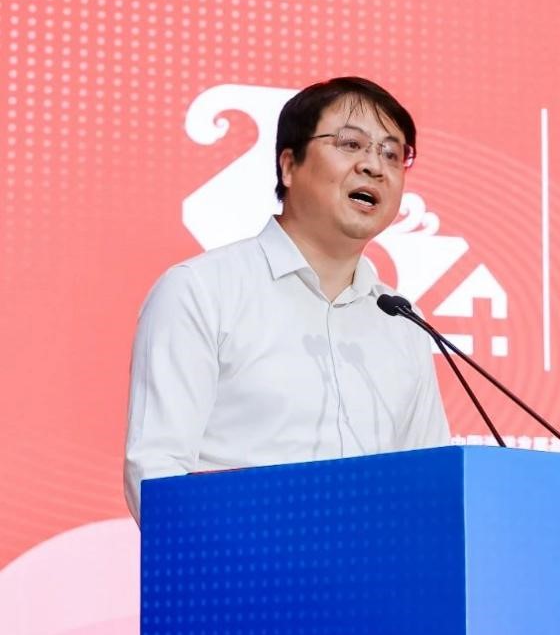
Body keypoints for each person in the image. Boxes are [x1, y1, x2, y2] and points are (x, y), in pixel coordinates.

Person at [124, 77, 450, 522]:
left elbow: (428, 486)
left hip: (374, 566)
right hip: (241, 562)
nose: (374, 166)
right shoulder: (202, 290)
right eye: (350, 144)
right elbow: (157, 471)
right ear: (289, 166)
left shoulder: (402, 322)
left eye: (392, 154)